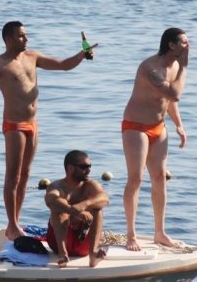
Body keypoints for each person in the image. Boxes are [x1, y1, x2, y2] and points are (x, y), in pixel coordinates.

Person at [0, 21, 96, 240]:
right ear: (8, 39)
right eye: (21, 36)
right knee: (13, 176)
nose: (26, 39)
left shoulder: (32, 57)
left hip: (33, 124)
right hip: (15, 125)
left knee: (26, 175)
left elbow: (63, 65)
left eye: (26, 35)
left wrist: (82, 55)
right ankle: (12, 225)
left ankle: (16, 223)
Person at [122, 28, 189, 251]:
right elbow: (174, 93)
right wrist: (185, 67)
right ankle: (131, 234)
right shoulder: (150, 68)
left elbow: (169, 101)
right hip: (136, 127)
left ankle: (159, 232)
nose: (188, 46)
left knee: (159, 178)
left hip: (158, 127)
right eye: (184, 43)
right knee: (136, 179)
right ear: (171, 45)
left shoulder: (175, 66)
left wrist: (179, 125)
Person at [44, 150, 109, 268]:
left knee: (98, 208)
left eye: (89, 166)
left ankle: (93, 254)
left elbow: (104, 198)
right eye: (84, 167)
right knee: (59, 209)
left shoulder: (90, 185)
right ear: (70, 168)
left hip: (83, 241)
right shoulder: (57, 186)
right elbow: (50, 200)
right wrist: (71, 210)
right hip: (58, 243)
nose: (88, 170)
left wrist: (84, 205)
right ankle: (63, 255)